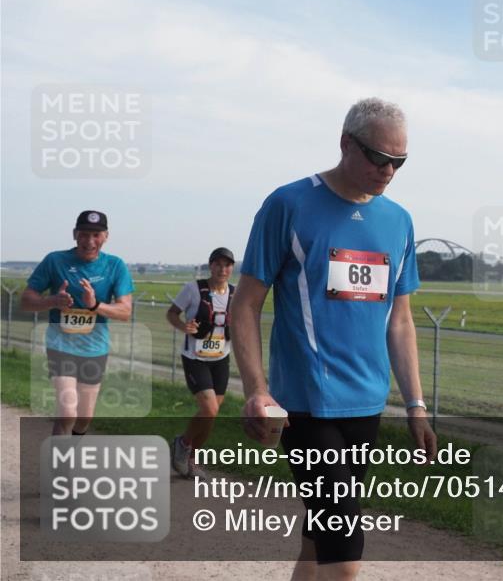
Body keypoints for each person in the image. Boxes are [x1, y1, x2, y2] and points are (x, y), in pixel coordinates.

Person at [231, 98, 435, 581]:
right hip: (305, 403)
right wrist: (257, 390)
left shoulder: (399, 221)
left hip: (366, 404)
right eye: (378, 158)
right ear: (346, 143)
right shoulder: (289, 203)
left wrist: (415, 405)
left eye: (399, 162)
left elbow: (400, 321)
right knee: (344, 553)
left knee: (318, 542)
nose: (388, 171)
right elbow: (245, 304)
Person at [20, 210, 134, 435]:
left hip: (95, 349)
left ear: (106, 236)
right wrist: (53, 300)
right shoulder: (55, 260)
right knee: (67, 412)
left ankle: (71, 447)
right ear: (75, 235)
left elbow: (125, 311)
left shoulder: (115, 265)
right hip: (60, 346)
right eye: (83, 234)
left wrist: (94, 305)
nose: (89, 241)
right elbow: (26, 301)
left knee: (84, 418)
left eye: (96, 235)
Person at [166, 247, 237, 479]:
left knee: (211, 415)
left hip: (221, 359)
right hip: (195, 358)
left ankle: (189, 455)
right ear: (211, 266)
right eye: (218, 264)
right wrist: (183, 327)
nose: (222, 269)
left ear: (232, 268)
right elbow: (172, 314)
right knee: (210, 408)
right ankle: (184, 445)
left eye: (227, 265)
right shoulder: (193, 289)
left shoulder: (235, 294)